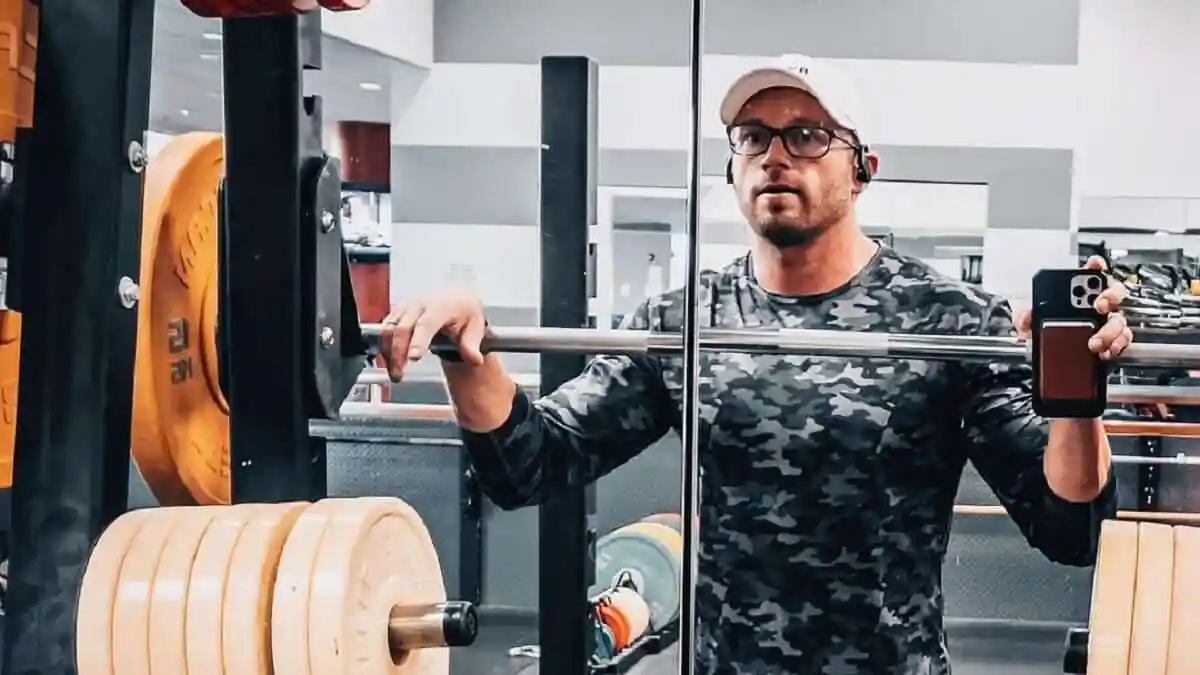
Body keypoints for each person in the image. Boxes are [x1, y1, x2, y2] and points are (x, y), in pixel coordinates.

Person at [378, 53, 1133, 674]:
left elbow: (1070, 527)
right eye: (752, 136)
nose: (774, 155)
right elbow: (531, 463)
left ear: (862, 169)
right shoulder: (684, 322)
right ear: (733, 167)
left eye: (807, 135)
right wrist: (465, 351)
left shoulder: (950, 320)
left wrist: (1078, 396)